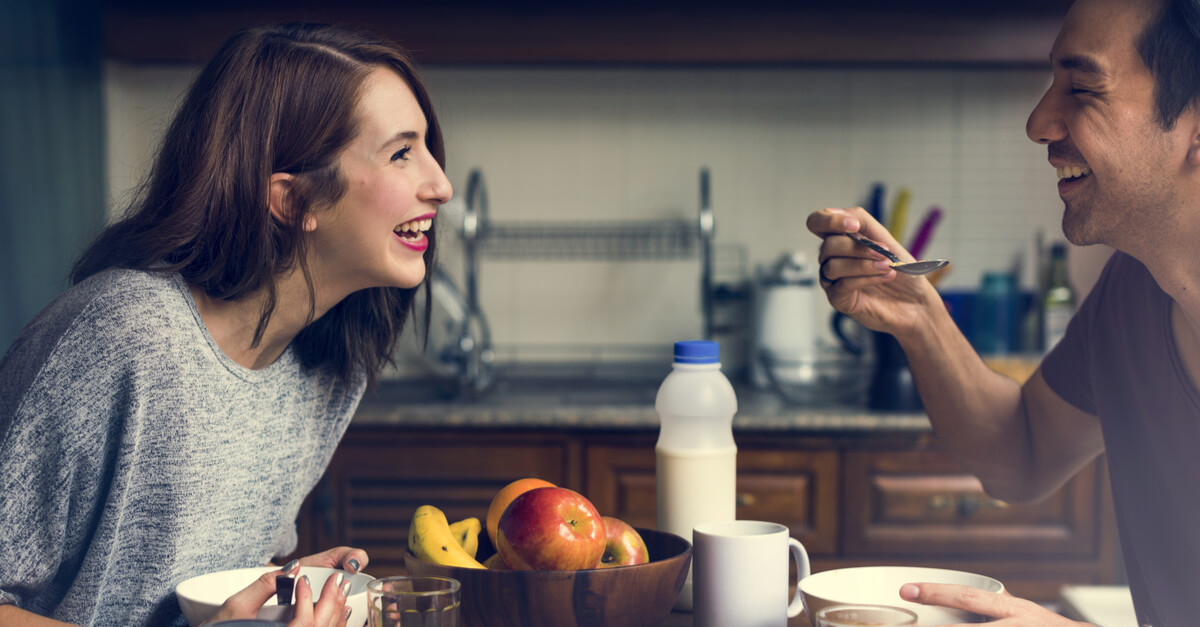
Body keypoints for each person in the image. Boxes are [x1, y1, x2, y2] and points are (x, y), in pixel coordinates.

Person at [0, 22, 452, 627]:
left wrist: (275, 590)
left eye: (426, 147)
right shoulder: (122, 336)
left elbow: (193, 594)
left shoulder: (326, 366)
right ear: (292, 201)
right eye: (401, 153)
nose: (441, 185)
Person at [809, 0, 1200, 624]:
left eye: (1081, 87)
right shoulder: (1134, 286)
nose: (1039, 121)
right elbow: (1022, 453)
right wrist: (919, 315)